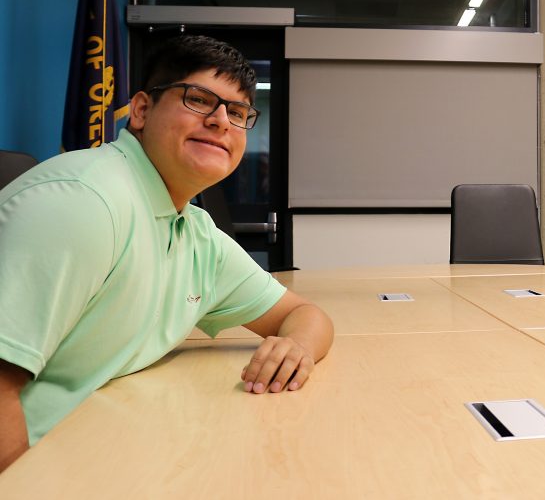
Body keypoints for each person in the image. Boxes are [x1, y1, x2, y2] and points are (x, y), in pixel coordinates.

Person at [0, 35, 334, 471]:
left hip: (109, 451)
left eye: (237, 113)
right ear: (141, 110)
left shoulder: (194, 230)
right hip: (39, 468)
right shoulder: (84, 201)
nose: (221, 122)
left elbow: (307, 314)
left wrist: (294, 348)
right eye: (198, 100)